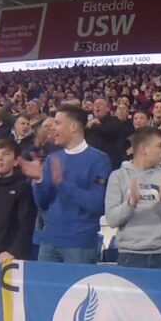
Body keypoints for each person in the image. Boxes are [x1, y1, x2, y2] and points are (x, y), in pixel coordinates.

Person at [25, 105, 110, 264]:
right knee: (46, 290)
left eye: (57, 123)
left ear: (73, 127)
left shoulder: (99, 160)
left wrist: (62, 184)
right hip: (49, 240)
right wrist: (38, 181)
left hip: (80, 245)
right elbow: (43, 203)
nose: (52, 128)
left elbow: (97, 204)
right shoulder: (52, 158)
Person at [104, 127, 161, 269]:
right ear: (144, 148)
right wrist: (130, 204)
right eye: (160, 146)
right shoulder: (118, 176)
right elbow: (112, 220)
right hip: (130, 256)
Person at [86, 98, 130, 171]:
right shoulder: (89, 125)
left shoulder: (115, 121)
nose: (97, 106)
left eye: (100, 104)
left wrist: (95, 125)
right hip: (91, 164)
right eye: (95, 105)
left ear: (107, 109)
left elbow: (108, 131)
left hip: (109, 166)